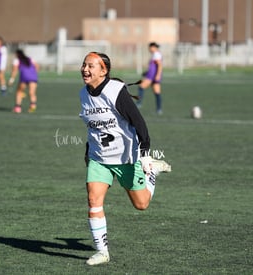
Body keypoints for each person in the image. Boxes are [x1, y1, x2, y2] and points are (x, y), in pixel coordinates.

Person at [79, 52, 159, 266]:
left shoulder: (116, 91)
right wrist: (88, 154)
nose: (85, 69)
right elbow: (91, 128)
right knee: (93, 200)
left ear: (103, 70)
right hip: (99, 159)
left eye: (90, 66)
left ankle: (152, 174)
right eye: (84, 65)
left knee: (141, 205)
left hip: (126, 157)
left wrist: (145, 153)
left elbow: (139, 122)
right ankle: (102, 252)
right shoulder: (82, 94)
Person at [8, 49, 39, 113]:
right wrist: (34, 73)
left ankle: (18, 108)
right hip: (33, 77)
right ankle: (33, 107)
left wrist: (11, 80)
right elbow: (37, 66)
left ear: (17, 54)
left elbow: (15, 71)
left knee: (19, 92)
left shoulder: (17, 60)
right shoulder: (30, 59)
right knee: (32, 93)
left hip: (24, 77)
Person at [137, 42, 163, 115]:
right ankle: (159, 109)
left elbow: (160, 65)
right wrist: (146, 72)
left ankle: (139, 103)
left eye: (150, 47)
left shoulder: (156, 54)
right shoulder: (155, 54)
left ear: (154, 47)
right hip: (151, 75)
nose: (149, 49)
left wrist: (157, 75)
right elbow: (153, 67)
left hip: (152, 76)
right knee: (157, 93)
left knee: (141, 87)